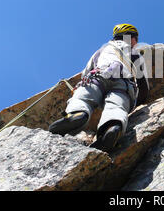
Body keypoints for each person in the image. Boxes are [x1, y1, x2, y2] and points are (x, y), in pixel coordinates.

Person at [49, 24, 149, 152]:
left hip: (96, 76)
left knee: (83, 99)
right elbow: (143, 82)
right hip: (123, 83)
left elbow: (86, 72)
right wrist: (139, 101)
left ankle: (77, 114)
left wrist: (79, 87)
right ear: (132, 38)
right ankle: (112, 126)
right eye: (136, 39)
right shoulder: (132, 51)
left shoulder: (100, 51)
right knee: (117, 106)